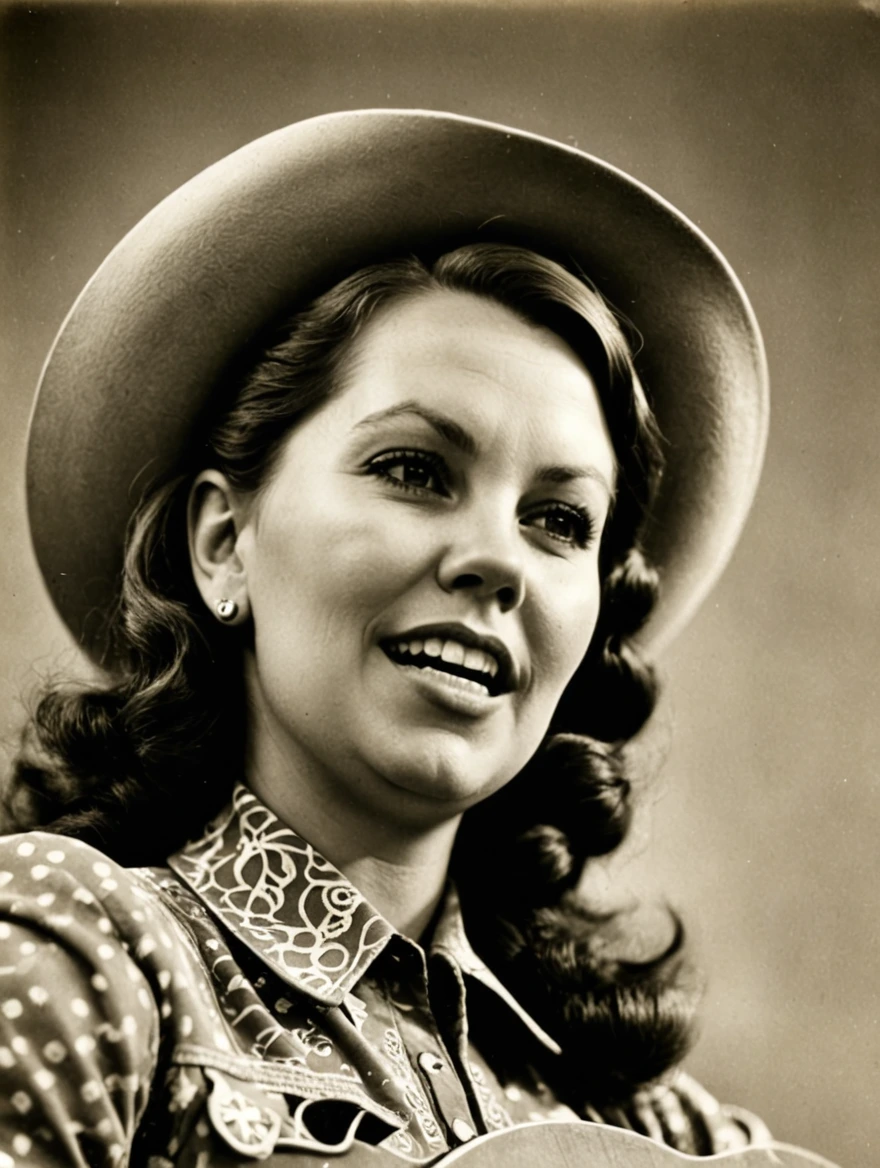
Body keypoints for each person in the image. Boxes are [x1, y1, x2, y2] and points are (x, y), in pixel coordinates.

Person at [0, 111, 771, 1166]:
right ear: (225, 541)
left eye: (558, 520)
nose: (496, 560)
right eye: (413, 469)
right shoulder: (83, 952)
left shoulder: (648, 1121)